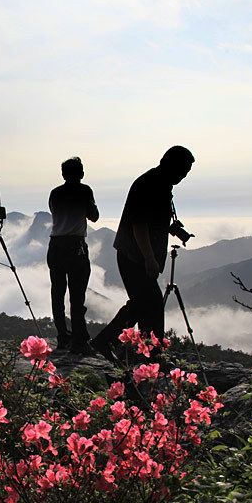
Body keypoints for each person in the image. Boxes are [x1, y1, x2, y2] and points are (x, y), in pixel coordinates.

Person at [91, 146, 195, 360]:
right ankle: (150, 352)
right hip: (134, 256)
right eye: (183, 171)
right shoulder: (150, 184)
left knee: (142, 303)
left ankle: (132, 348)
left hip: (138, 255)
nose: (183, 177)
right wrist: (149, 258)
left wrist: (175, 230)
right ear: (171, 164)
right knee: (152, 304)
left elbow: (154, 219)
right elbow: (139, 225)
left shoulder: (162, 184)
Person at [47, 156, 100, 354]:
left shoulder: (55, 193)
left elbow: (54, 212)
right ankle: (79, 340)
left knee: (57, 292)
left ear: (63, 174)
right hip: (76, 246)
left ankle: (62, 337)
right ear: (81, 174)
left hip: (55, 245)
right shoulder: (84, 190)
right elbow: (94, 216)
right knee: (77, 296)